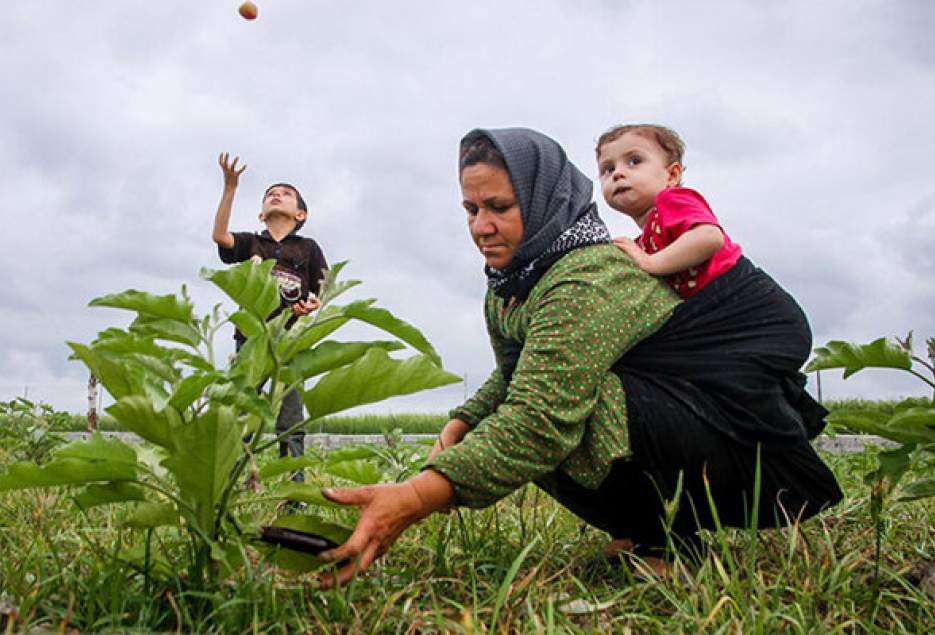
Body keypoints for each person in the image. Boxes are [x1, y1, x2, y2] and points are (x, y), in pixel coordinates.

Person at [317, 128, 842, 586]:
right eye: (471, 210)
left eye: (500, 207)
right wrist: (463, 420)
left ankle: (670, 541)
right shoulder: (509, 284)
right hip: (676, 415)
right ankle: (647, 533)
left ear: (543, 199)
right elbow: (516, 371)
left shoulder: (585, 275)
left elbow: (540, 416)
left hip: (729, 435)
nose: (481, 226)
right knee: (519, 414)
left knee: (569, 414)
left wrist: (413, 498)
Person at [212, 153, 328, 481]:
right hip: (250, 343)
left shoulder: (307, 248)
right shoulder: (251, 243)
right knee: (240, 416)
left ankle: (293, 495)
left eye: (286, 193)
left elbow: (323, 286)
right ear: (262, 213)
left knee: (290, 420)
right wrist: (230, 187)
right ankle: (230, 483)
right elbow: (220, 238)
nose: (277, 194)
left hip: (290, 344)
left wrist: (312, 305)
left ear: (301, 213)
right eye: (270, 193)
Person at [596, 124, 738, 299]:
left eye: (634, 161)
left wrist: (650, 262)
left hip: (742, 293)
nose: (617, 173)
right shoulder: (643, 245)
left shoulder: (671, 200)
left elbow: (710, 237)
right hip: (714, 307)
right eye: (608, 169)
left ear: (671, 175)